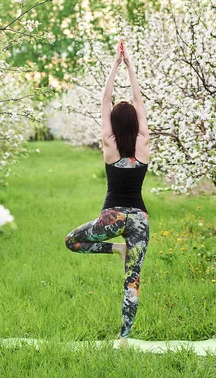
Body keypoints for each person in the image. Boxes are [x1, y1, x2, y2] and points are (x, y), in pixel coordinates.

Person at [64, 38, 150, 347]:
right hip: (139, 218)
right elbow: (139, 103)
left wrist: (115, 63)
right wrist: (131, 68)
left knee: (72, 241)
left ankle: (116, 250)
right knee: (132, 281)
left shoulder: (109, 145)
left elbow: (104, 100)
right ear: (136, 123)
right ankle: (124, 338)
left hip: (113, 216)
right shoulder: (143, 144)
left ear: (114, 123)